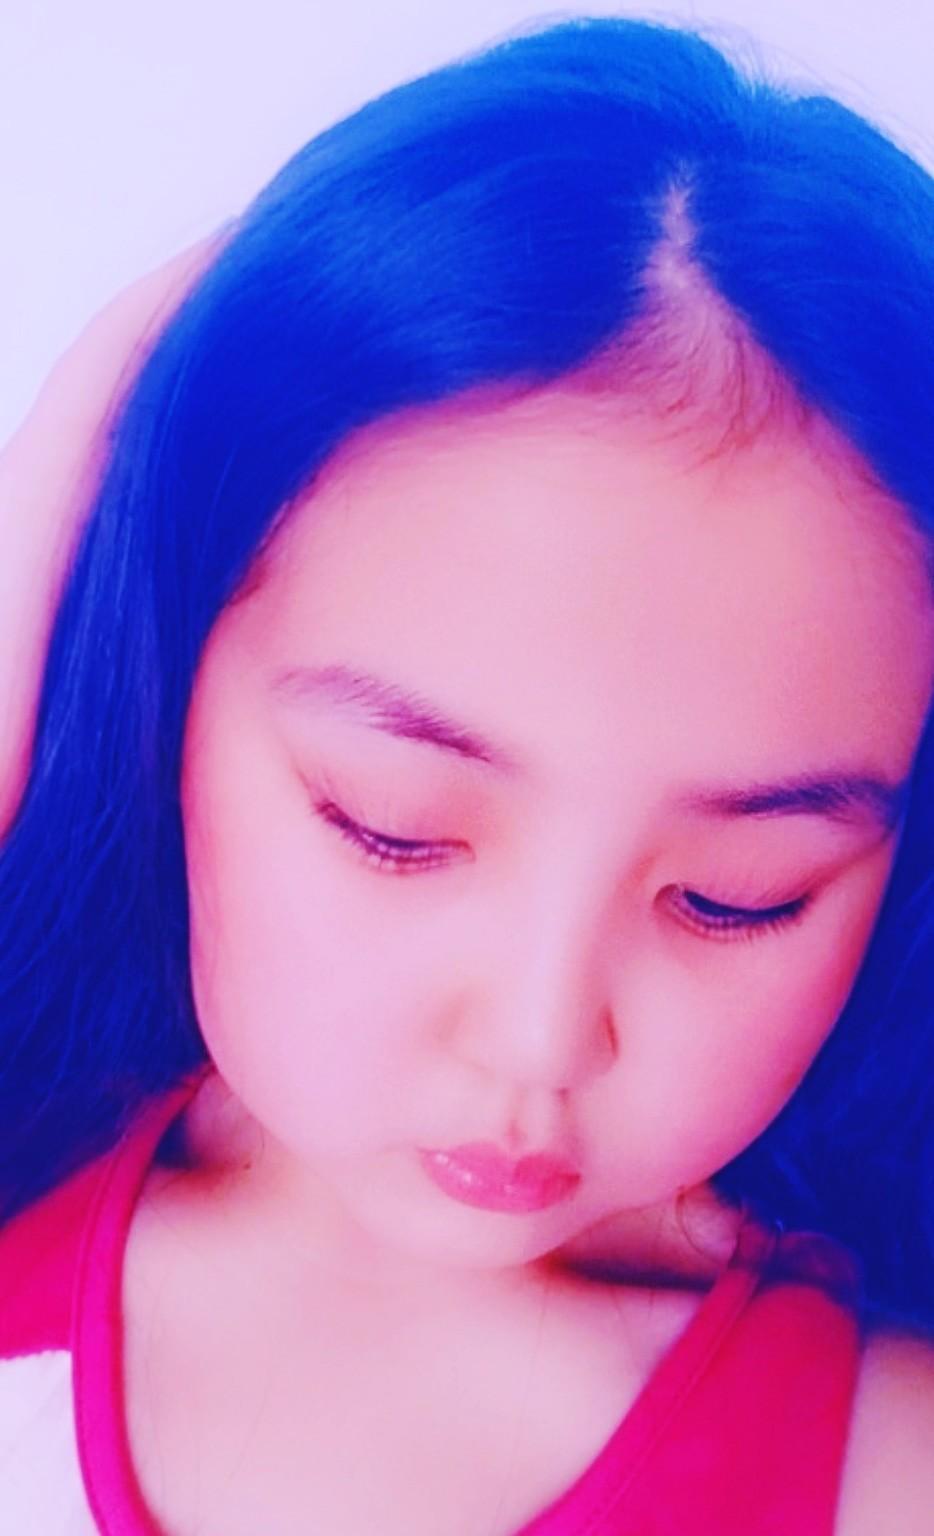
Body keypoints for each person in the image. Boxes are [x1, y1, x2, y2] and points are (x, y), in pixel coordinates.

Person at [1, 12, 933, 1533]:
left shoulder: (879, 1461)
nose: (539, 1038)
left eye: (735, 898)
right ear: (160, 691)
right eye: (395, 830)